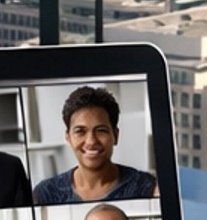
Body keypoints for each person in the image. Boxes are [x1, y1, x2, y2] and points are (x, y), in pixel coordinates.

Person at [30, 85, 158, 207]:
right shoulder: (45, 194)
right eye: (80, 131)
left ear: (115, 136)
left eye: (101, 130)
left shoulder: (146, 187)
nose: (91, 141)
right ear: (68, 138)